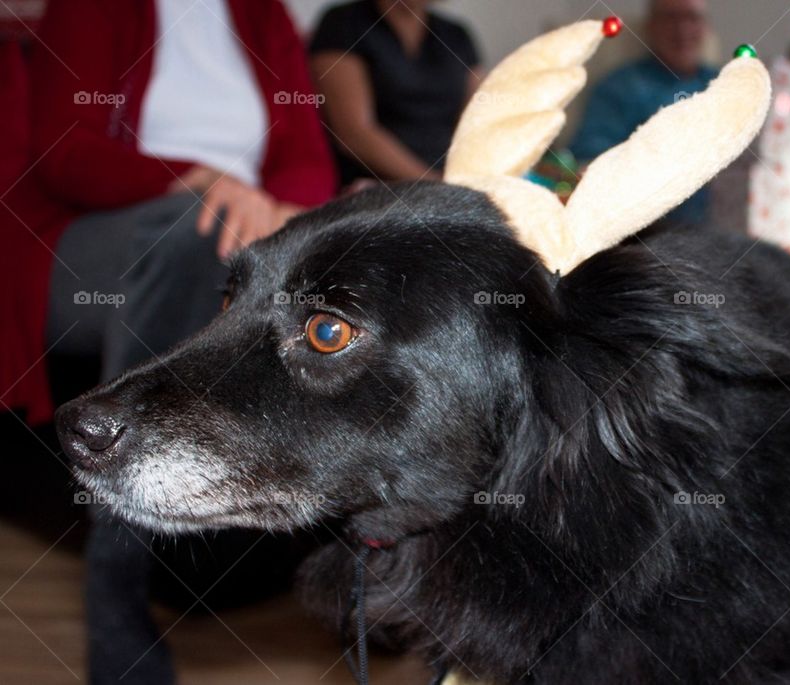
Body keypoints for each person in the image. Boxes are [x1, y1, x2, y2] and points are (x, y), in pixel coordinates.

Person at [0, 0, 337, 682]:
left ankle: (370, 570)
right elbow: (67, 152)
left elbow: (306, 155)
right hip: (89, 244)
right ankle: (116, 594)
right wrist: (209, 184)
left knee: (349, 241)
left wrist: (274, 212)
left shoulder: (264, 15)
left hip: (242, 237)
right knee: (191, 234)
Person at [570, 0, 718, 224]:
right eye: (670, 18)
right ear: (650, 26)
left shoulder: (724, 82)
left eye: (692, 18)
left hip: (729, 227)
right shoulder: (620, 87)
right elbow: (589, 162)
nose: (682, 30)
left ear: (705, 27)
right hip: (654, 231)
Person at [309, 0, 482, 185]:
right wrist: (434, 185)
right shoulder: (344, 23)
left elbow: (479, 120)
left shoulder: (457, 35)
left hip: (452, 179)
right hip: (377, 184)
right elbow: (354, 134)